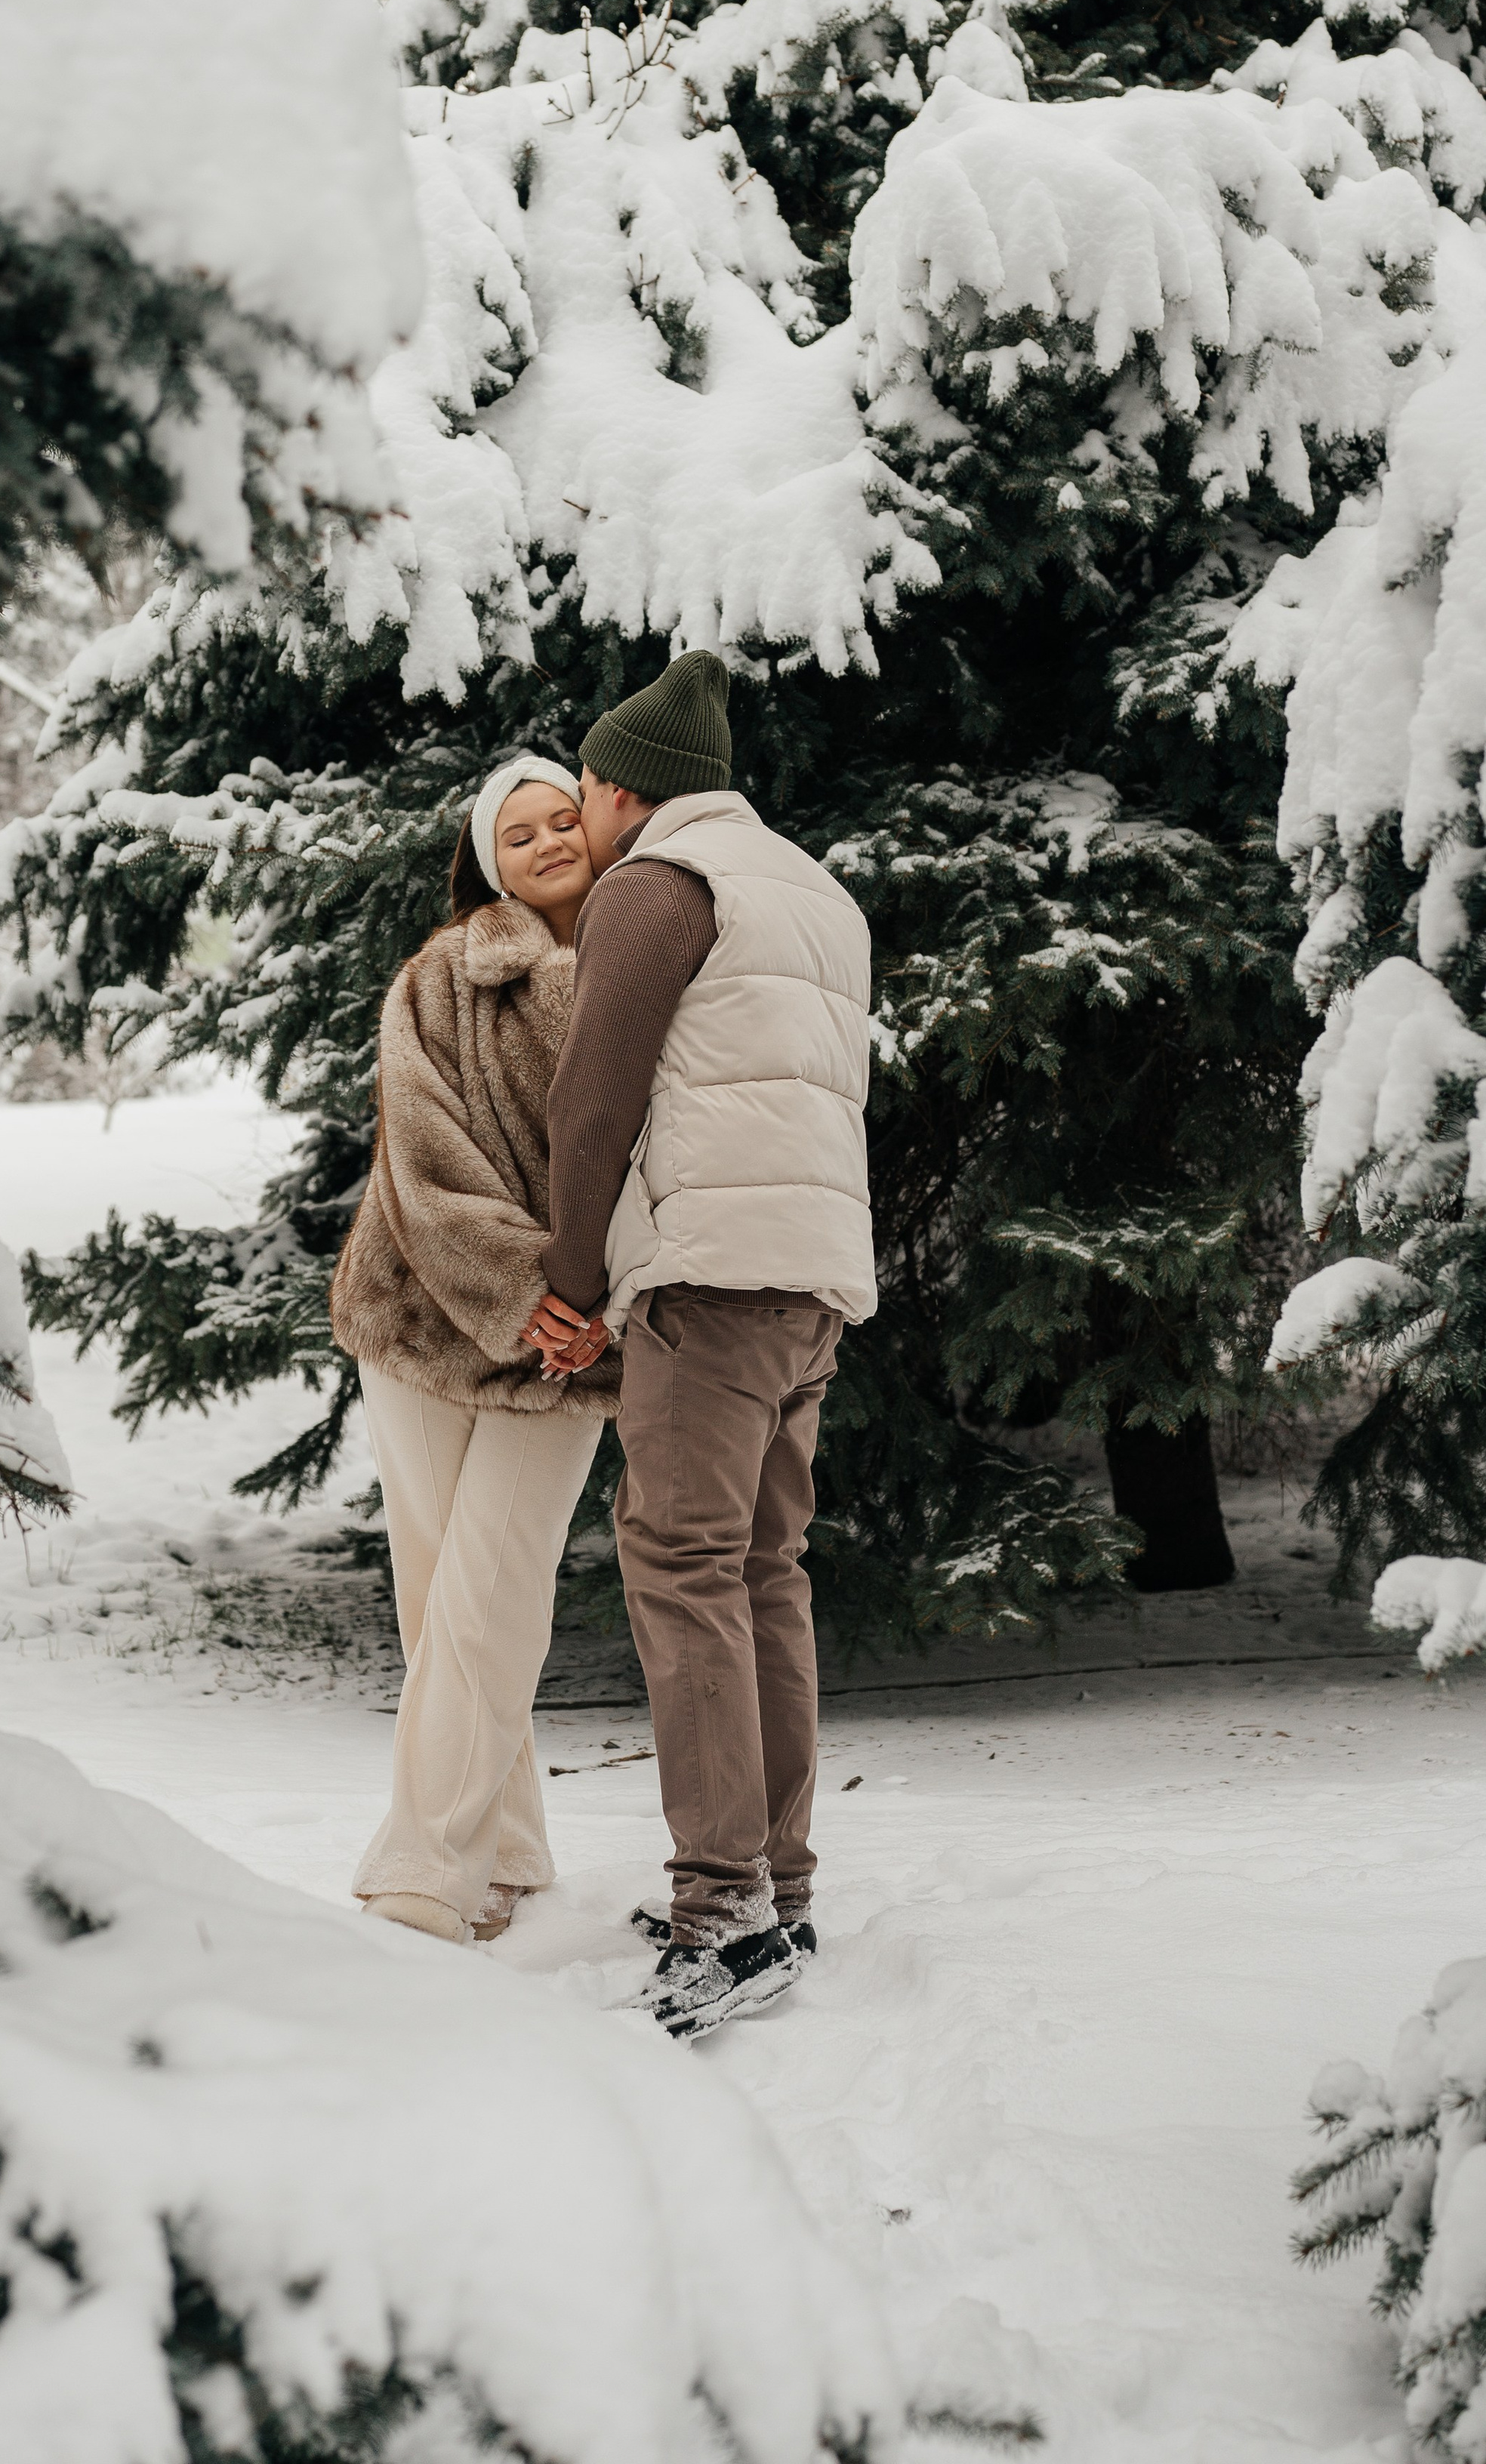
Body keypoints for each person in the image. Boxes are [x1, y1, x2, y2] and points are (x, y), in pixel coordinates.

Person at [519, 651, 876, 2040]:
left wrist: (570, 1280)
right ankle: (776, 1889)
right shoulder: (814, 891)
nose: (581, 822)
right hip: (812, 1284)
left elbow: (594, 1099)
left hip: (709, 1289)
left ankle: (720, 1915)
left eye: (586, 795)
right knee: (764, 1573)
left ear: (620, 791)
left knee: (683, 1571)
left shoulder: (656, 889)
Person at [330, 756, 621, 1947]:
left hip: (575, 1340)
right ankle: (501, 1846)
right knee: (438, 1589)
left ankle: (423, 1867)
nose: (551, 840)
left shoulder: (643, 967)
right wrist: (522, 1288)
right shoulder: (442, 974)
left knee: (493, 1589)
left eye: (568, 819)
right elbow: (425, 1160)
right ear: (484, 854)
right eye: (523, 829)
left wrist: (587, 1301)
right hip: (420, 1315)